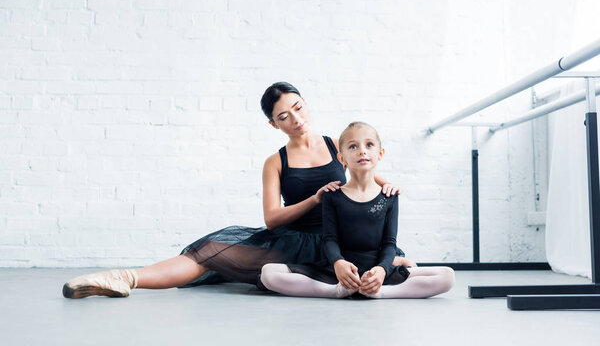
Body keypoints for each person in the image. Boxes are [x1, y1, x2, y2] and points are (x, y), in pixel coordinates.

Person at [62, 83, 413, 299]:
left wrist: (389, 184)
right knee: (210, 252)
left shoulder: (336, 144)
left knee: (389, 258)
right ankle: (125, 277)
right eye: (284, 115)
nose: (295, 118)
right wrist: (315, 198)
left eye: (298, 107)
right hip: (295, 241)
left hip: (340, 240)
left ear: (305, 103)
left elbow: (367, 174)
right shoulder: (274, 162)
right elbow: (272, 220)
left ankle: (388, 264)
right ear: (273, 124)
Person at [260, 122, 455, 299]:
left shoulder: (389, 196)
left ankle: (379, 292)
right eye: (353, 146)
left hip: (376, 269)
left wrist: (381, 270)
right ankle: (337, 290)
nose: (362, 151)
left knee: (447, 276)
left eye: (369, 145)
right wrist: (338, 263)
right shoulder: (333, 195)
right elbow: (330, 239)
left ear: (380, 153)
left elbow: (389, 243)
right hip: (339, 270)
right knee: (268, 273)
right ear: (341, 158)